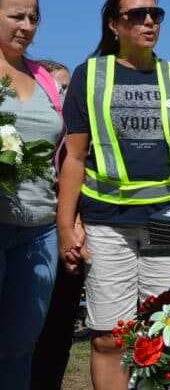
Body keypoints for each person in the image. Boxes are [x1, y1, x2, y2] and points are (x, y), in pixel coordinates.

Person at [56, 0, 170, 390]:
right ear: (114, 24)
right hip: (107, 225)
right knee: (109, 338)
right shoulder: (89, 76)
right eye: (137, 15)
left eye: (155, 14)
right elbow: (74, 157)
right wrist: (65, 226)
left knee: (169, 334)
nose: (149, 22)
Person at [0, 0, 64, 388]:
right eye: (16, 16)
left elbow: (68, 153)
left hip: (41, 232)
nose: (26, 26)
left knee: (20, 346)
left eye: (33, 18)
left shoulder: (46, 80)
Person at [30, 60, 83, 390]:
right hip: (30, 235)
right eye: (57, 88)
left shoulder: (79, 141)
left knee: (59, 331)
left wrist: (76, 222)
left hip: (68, 241)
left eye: (67, 89)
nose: (63, 95)